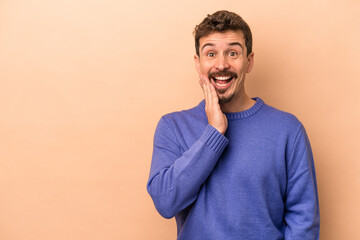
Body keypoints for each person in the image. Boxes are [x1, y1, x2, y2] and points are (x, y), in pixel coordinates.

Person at [147, 10, 320, 240]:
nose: (222, 64)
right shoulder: (172, 127)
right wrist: (214, 133)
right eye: (211, 53)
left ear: (249, 61)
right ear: (198, 64)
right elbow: (165, 202)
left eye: (232, 53)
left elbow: (303, 222)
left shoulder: (288, 130)